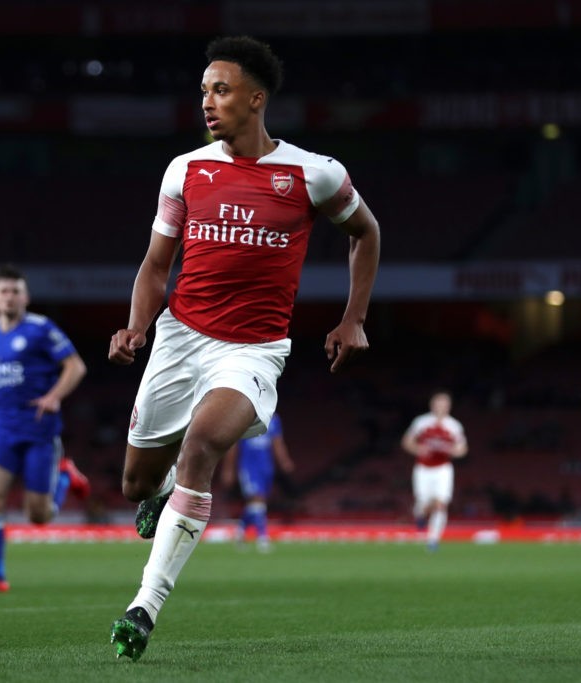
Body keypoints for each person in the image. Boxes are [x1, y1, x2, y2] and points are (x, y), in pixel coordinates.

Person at [106, 35, 380, 661]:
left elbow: (366, 232)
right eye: (203, 90)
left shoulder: (315, 173)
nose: (207, 101)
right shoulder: (186, 169)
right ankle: (161, 485)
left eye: (221, 90)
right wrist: (137, 326)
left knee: (204, 442)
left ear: (256, 99)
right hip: (179, 339)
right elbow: (155, 266)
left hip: (252, 351)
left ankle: (143, 607)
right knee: (133, 484)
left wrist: (353, 318)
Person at [0, 264, 90, 593]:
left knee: (39, 516)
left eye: (15, 291)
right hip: (3, 428)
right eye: (3, 291)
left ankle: (65, 475)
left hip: (39, 428)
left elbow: (75, 366)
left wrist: (54, 396)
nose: (9, 297)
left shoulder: (42, 329)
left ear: (25, 297)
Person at [400, 390, 468, 551]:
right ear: (432, 405)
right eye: (438, 403)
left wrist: (454, 451)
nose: (441, 407)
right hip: (423, 469)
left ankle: (433, 540)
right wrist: (418, 449)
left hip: (443, 469)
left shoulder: (454, 426)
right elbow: (406, 442)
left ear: (449, 406)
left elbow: (462, 448)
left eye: (444, 404)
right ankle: (420, 517)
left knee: (441, 503)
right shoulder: (421, 422)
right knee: (423, 505)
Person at [221, 412, 295, 552]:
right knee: (257, 499)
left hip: (266, 467)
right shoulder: (244, 417)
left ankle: (241, 531)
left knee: (258, 503)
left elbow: (277, 442)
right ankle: (262, 537)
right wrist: (228, 470)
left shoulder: (274, 419)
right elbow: (233, 446)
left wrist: (284, 461)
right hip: (248, 466)